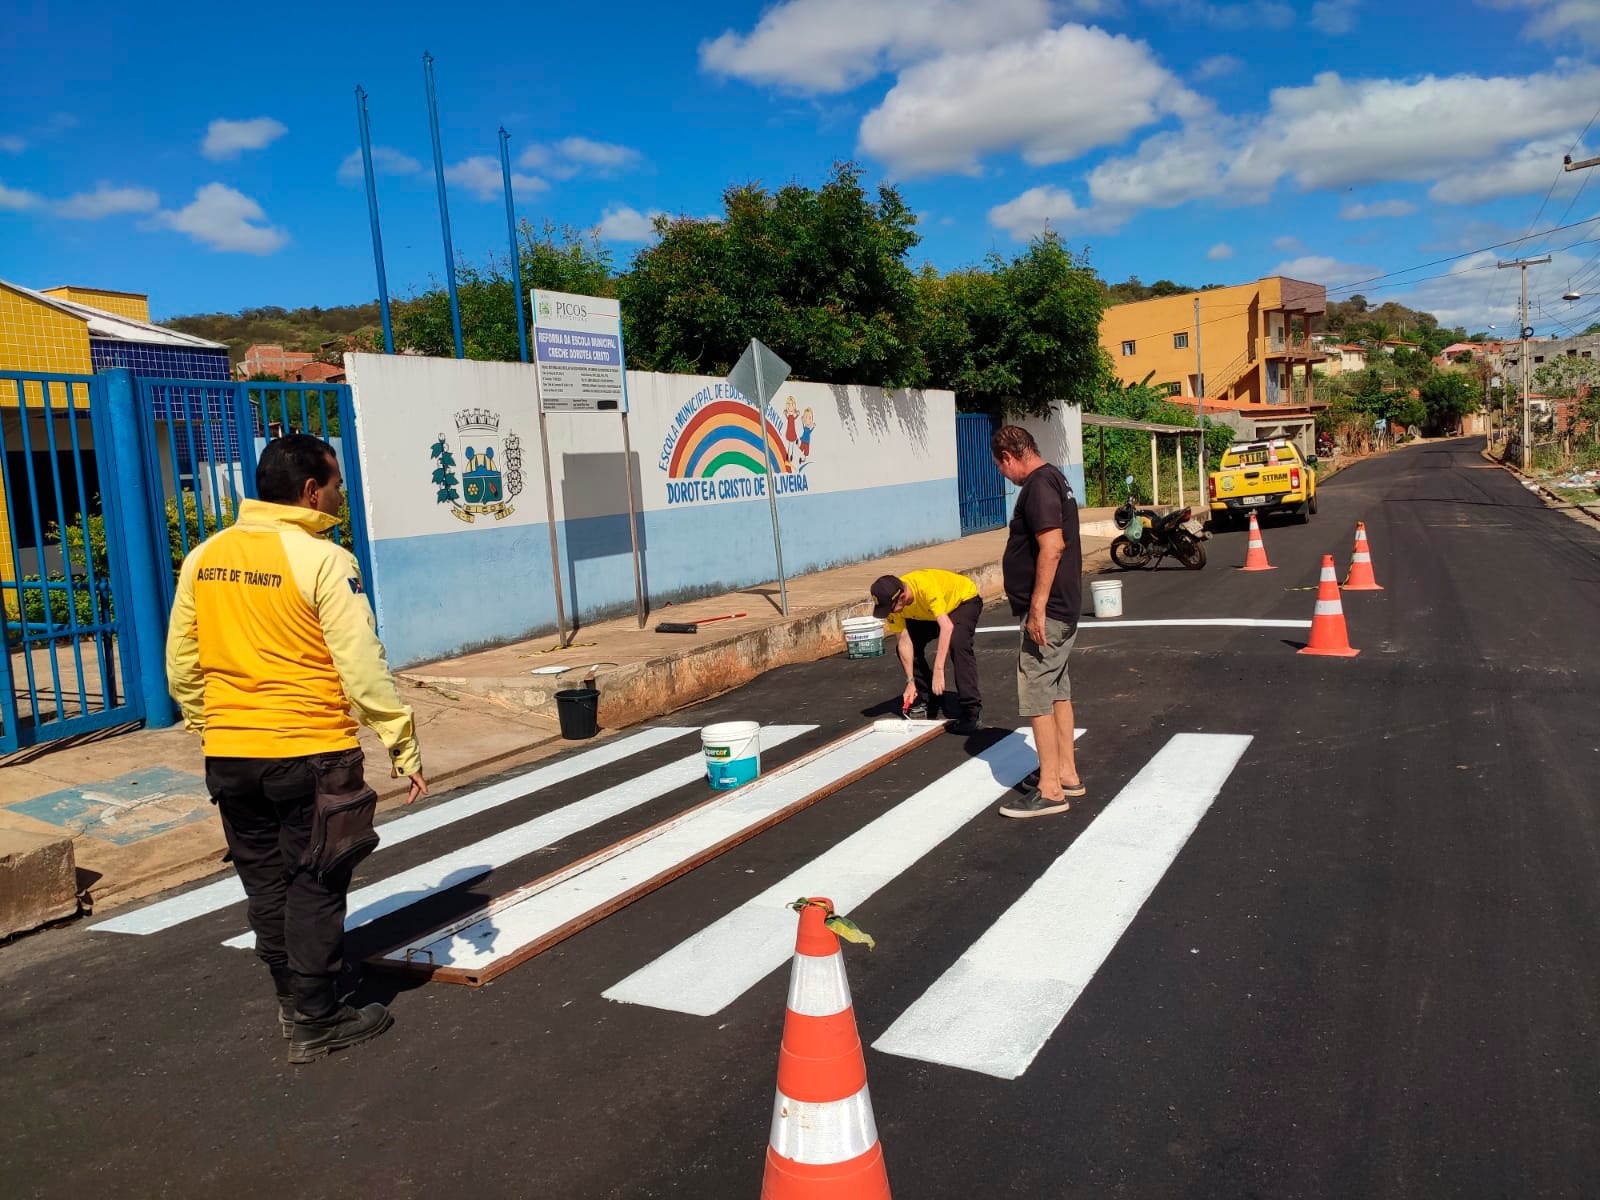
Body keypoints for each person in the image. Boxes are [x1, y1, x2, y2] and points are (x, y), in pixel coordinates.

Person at [166, 434, 427, 1064]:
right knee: (317, 876)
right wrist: (400, 739)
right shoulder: (324, 560)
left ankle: (291, 998)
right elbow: (360, 663)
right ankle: (318, 1016)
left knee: (266, 881)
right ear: (311, 490)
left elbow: (182, 663)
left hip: (230, 753)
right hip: (311, 749)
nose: (340, 495)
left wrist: (212, 723)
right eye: (335, 484)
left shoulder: (205, 556)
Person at [989, 425, 1084, 818]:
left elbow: (1052, 546)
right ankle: (1066, 773)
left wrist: (1038, 609)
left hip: (1050, 611)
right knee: (1058, 690)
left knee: (1036, 694)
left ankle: (1050, 790)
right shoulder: (1056, 478)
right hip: (1064, 606)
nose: (1004, 475)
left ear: (1009, 457)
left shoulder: (1039, 486)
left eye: (1000, 467)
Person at [869, 569, 983, 735]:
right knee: (909, 647)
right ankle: (929, 698)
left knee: (958, 643)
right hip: (929, 615)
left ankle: (970, 709)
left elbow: (947, 626)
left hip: (962, 602)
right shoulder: (894, 602)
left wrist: (939, 669)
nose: (889, 613)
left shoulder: (925, 586)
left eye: (890, 608)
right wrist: (910, 681)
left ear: (901, 597)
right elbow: (904, 642)